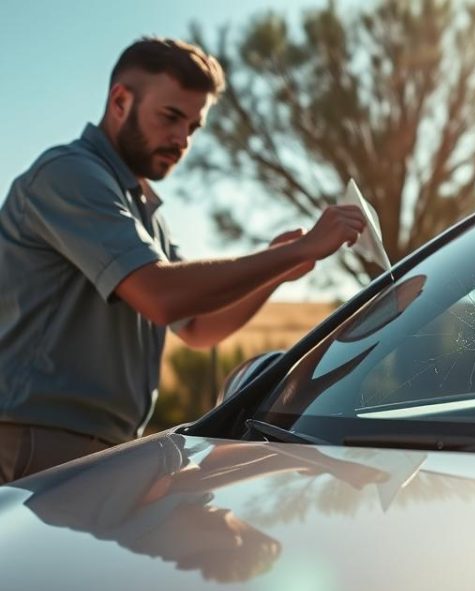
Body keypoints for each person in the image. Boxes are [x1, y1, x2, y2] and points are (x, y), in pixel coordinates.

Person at [0, 37, 365, 484]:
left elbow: (195, 326)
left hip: (102, 449)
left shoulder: (142, 209)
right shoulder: (68, 174)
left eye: (193, 127)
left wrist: (281, 269)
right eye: (171, 117)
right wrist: (298, 250)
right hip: (33, 440)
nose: (181, 140)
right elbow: (161, 295)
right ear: (120, 101)